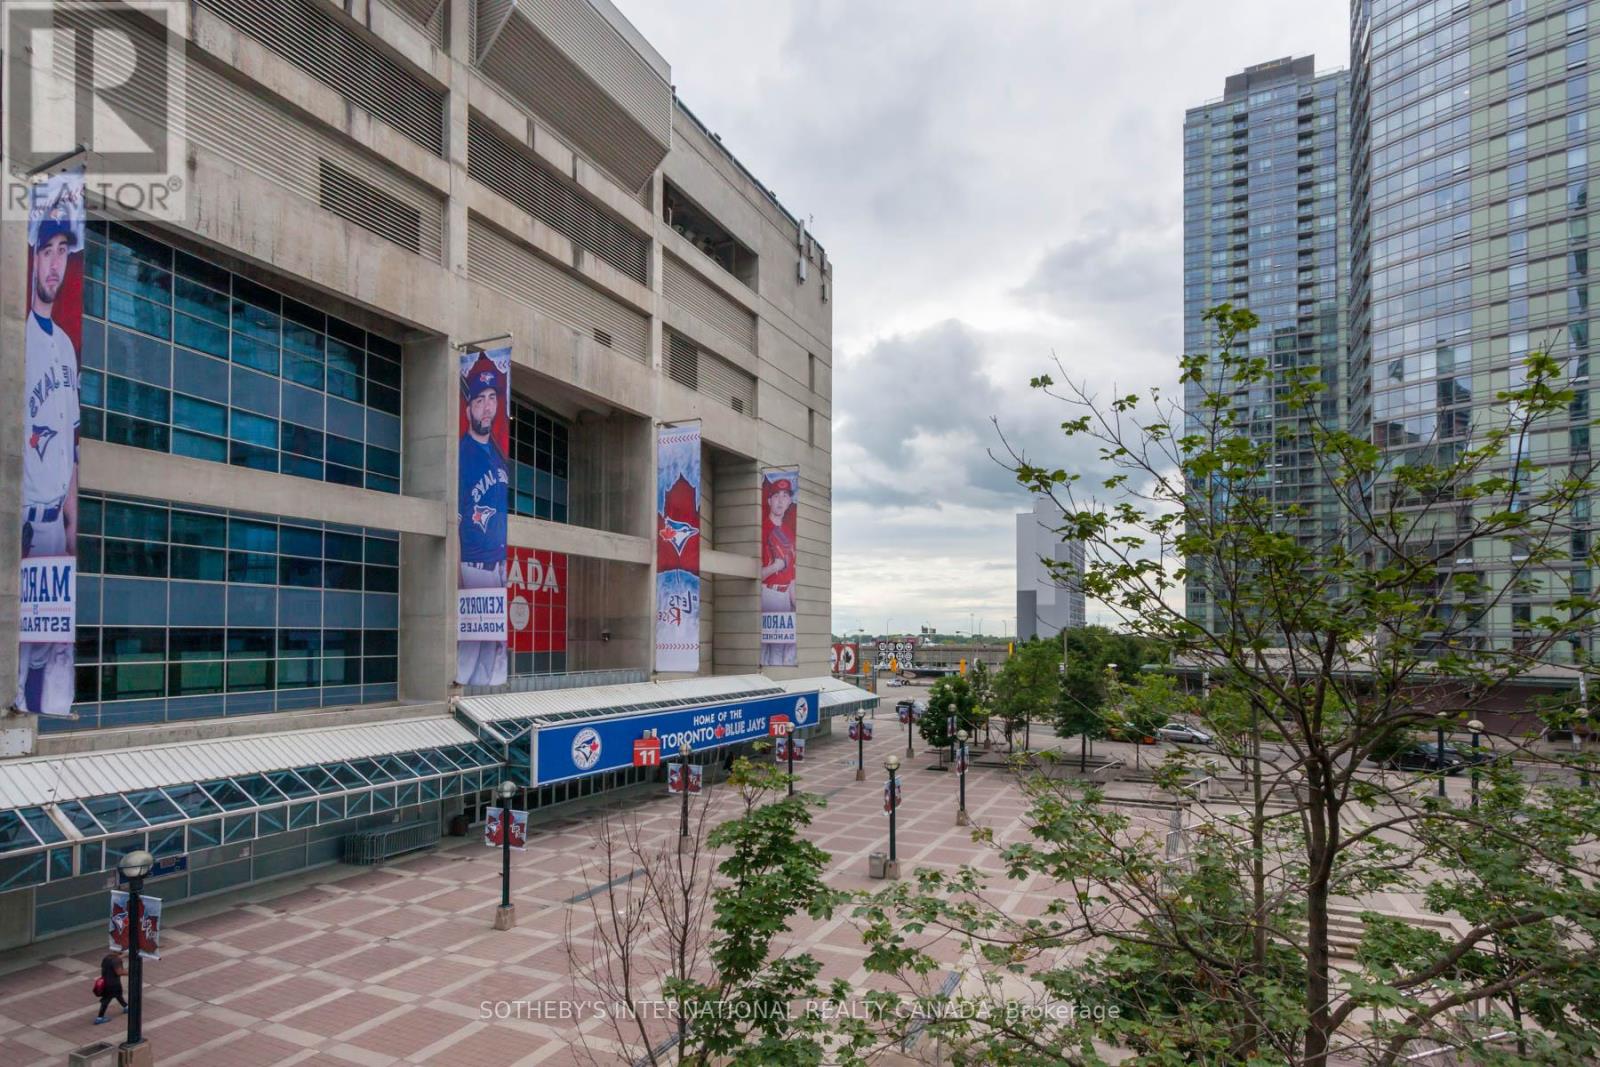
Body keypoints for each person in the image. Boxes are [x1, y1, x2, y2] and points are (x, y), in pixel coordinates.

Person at [19, 177, 82, 715]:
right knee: (16, 669)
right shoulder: (17, 340)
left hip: (56, 529)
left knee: (48, 655)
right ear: (33, 258)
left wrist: (72, 528)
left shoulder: (65, 344)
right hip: (22, 522)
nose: (56, 263)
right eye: (47, 250)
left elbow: (73, 448)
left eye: (63, 250)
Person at [457, 354, 509, 686]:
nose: (487, 407)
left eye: (492, 398)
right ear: (468, 410)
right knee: (469, 653)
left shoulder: (498, 454)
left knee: (490, 656)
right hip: (474, 567)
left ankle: (479, 709)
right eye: (479, 400)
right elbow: (455, 522)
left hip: (498, 566)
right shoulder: (462, 455)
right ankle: (450, 705)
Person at [94, 951, 127, 1023]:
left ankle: (126, 1006)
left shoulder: (107, 958)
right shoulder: (117, 960)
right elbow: (119, 972)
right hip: (113, 984)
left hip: (105, 981)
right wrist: (131, 972)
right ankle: (99, 1017)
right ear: (119, 952)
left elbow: (115, 960)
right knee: (106, 1000)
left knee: (118, 995)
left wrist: (123, 956)